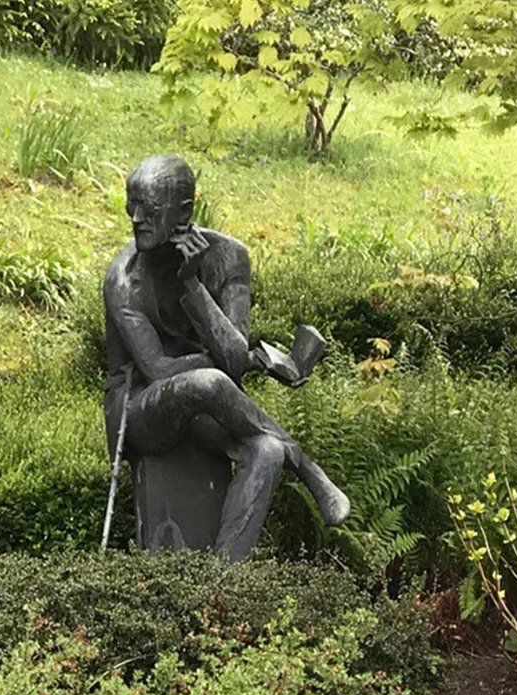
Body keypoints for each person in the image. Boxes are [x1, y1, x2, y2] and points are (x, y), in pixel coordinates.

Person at [103, 153, 349, 560]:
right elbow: (159, 369)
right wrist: (221, 366)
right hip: (138, 409)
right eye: (132, 204)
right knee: (209, 383)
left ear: (185, 211)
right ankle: (307, 467)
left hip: (207, 404)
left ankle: (220, 585)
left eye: (150, 207)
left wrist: (193, 286)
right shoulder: (125, 279)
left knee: (264, 451)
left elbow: (233, 361)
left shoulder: (229, 258)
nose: (135, 217)